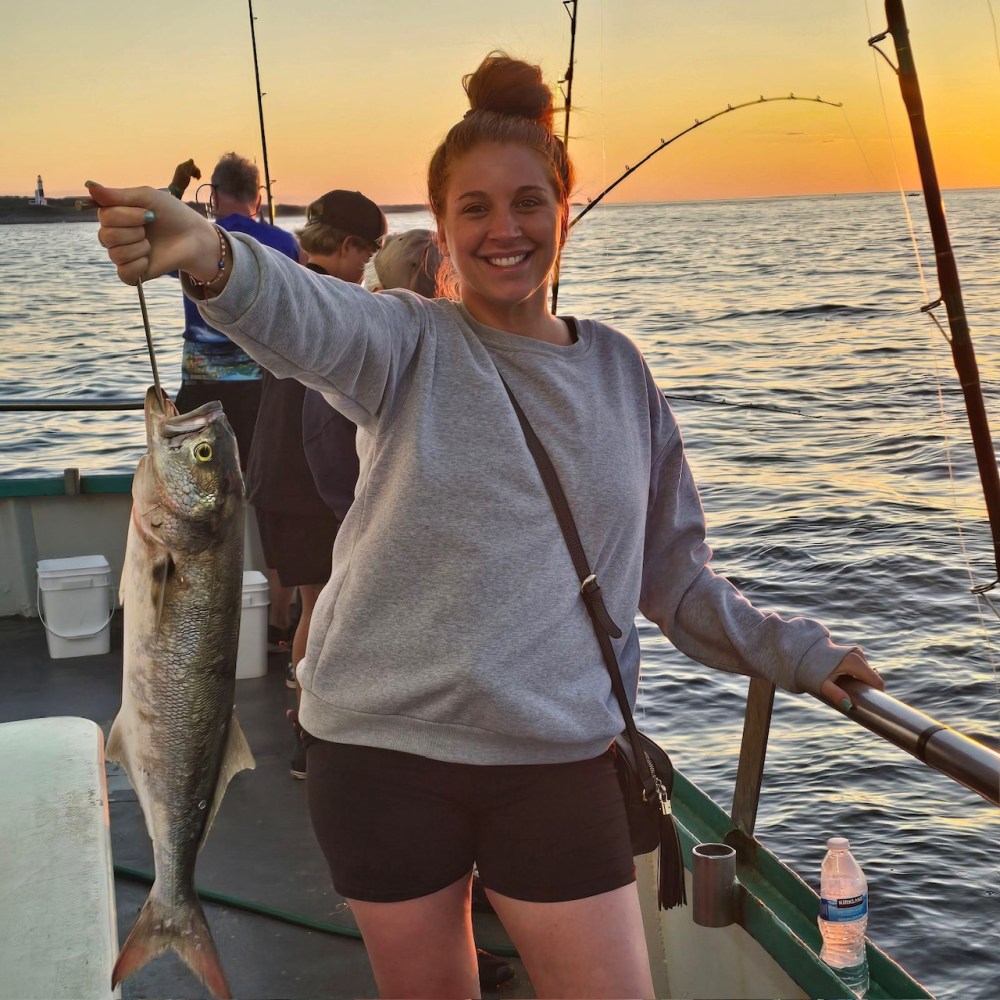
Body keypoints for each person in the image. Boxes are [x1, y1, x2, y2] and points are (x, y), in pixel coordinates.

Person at [88, 50, 884, 1000]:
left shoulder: (624, 376)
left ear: (563, 209)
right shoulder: (405, 342)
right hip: (380, 755)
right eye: (475, 209)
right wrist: (206, 253)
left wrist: (794, 652)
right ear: (443, 228)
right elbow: (306, 315)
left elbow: (673, 579)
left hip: (559, 758)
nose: (504, 230)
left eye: (527, 203)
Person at [246, 189, 388, 775]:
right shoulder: (334, 299)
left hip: (275, 477)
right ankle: (310, 741)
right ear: (349, 244)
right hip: (303, 485)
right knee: (320, 609)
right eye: (371, 250)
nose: (371, 263)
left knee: (314, 606)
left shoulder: (294, 288)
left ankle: (313, 716)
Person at [167, 153, 301, 472]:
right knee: (261, 473)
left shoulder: (194, 241)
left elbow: (148, 233)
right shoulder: (285, 243)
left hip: (203, 389)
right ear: (257, 196)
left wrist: (173, 191)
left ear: (212, 194)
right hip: (264, 389)